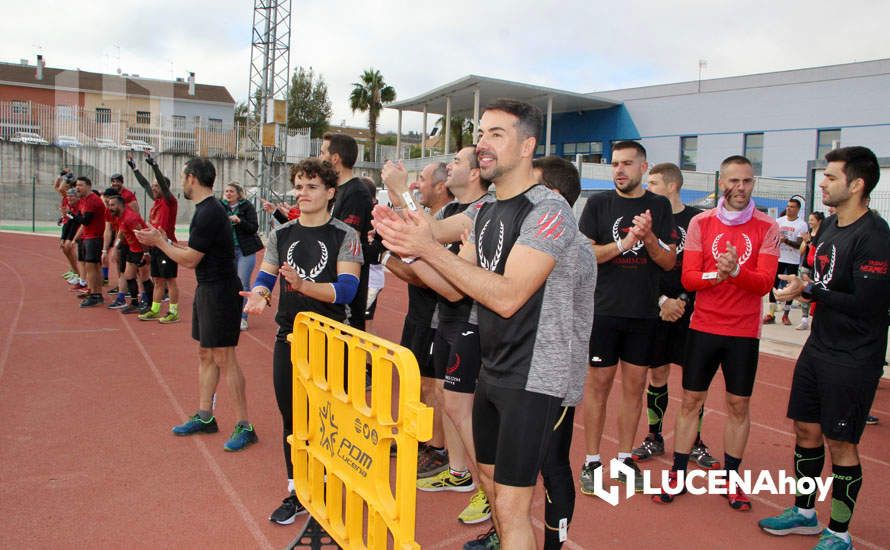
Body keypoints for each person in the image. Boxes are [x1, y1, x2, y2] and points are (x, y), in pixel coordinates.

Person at [374, 99, 593, 550]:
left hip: (536, 379)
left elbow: (511, 296)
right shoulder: (484, 209)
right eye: (480, 134)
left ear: (527, 145)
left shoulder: (549, 212)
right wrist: (403, 240)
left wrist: (425, 247)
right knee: (493, 494)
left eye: (496, 134)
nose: (482, 144)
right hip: (494, 368)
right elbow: (455, 286)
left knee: (513, 509)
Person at [758, 147, 889, 549]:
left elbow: (866, 303)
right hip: (818, 348)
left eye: (831, 177)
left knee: (842, 443)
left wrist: (809, 290)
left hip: (854, 356)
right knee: (806, 429)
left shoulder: (876, 238)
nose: (823, 183)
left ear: (857, 184)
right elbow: (820, 277)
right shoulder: (830, 225)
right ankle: (804, 512)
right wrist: (804, 289)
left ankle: (839, 532)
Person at [241, 158, 363, 525]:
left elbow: (347, 290)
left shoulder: (346, 236)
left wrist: (304, 286)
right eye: (299, 185)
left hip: (331, 341)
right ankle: (297, 491)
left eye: (311, 186)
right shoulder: (282, 233)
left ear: (329, 193)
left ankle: (328, 487)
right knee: (292, 419)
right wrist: (260, 294)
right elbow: (266, 274)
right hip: (290, 337)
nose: (302, 193)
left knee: (328, 420)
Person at [653, 155, 779, 510]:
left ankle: (732, 479)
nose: (741, 188)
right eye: (734, 181)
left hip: (743, 332)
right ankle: (677, 472)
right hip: (704, 327)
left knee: (739, 405)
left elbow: (765, 283)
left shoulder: (767, 226)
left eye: (747, 181)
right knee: (691, 401)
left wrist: (736, 270)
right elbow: (690, 278)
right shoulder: (701, 223)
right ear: (721, 183)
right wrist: (719, 275)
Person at [135, 157, 257, 452]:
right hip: (208, 290)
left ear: (191, 178)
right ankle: (205, 417)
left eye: (182, 177)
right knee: (205, 353)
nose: (180, 182)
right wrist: (164, 239)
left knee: (225, 357)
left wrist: (159, 243)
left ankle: (245, 426)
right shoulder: (206, 210)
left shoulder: (210, 212)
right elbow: (193, 252)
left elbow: (190, 260)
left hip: (221, 291)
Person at [577, 141, 677, 494]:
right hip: (603, 311)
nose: (619, 170)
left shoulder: (659, 206)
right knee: (598, 388)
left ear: (644, 168)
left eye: (627, 164)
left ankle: (623, 459)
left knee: (634, 388)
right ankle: (591, 460)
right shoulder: (599, 204)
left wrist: (647, 237)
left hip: (642, 314)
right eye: (615, 164)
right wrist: (624, 242)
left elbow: (668, 260)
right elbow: (586, 255)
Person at [630, 163, 719, 469]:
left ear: (671, 186)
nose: (648, 187)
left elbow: (707, 267)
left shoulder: (699, 219)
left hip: (692, 310)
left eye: (653, 183)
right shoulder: (646, 219)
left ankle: (694, 440)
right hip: (656, 308)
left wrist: (681, 300)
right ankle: (654, 436)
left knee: (694, 381)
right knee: (657, 374)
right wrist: (661, 300)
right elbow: (638, 267)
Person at [533, 155, 595, 550]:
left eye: (532, 187)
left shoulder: (571, 244)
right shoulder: (540, 235)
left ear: (553, 196)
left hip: (554, 375)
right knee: (522, 465)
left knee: (551, 463)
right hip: (527, 369)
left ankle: (557, 543)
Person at [381, 162, 453, 480]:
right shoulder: (429, 219)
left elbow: (426, 276)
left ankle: (437, 449)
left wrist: (384, 257)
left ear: (440, 186)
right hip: (419, 315)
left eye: (421, 180)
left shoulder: (448, 221)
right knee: (417, 381)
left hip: (437, 317)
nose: (416, 185)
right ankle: (420, 437)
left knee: (434, 384)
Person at [319, 133, 374, 331]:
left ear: (335, 158)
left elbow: (347, 239)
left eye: (323, 152)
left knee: (347, 350)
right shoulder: (337, 190)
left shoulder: (356, 192)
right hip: (332, 281)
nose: (320, 157)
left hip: (347, 284)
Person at [129, 153, 181, 324]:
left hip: (167, 246)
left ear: (164, 187)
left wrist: (154, 166)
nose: (153, 189)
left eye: (157, 186)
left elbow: (162, 187)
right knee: (157, 280)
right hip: (155, 247)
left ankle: (173, 312)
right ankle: (155, 309)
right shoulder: (156, 201)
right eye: (153, 187)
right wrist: (134, 167)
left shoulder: (169, 201)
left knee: (170, 280)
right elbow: (144, 184)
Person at [221, 182, 263, 331]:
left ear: (238, 193)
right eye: (226, 191)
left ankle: (243, 319)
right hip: (227, 250)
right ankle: (229, 316)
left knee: (243, 283)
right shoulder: (220, 206)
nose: (228, 193)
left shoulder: (247, 207)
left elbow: (253, 228)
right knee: (228, 284)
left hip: (245, 250)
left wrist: (240, 221)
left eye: (231, 191)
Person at [764, 197, 808, 325]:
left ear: (798, 209)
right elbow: (771, 238)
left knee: (791, 286)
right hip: (779, 257)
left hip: (792, 260)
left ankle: (786, 314)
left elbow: (799, 244)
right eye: (788, 206)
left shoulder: (801, 224)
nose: (789, 209)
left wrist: (786, 241)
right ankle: (771, 314)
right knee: (774, 284)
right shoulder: (779, 221)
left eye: (792, 207)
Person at [105, 194, 150, 314]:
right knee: (129, 276)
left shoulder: (130, 217)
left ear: (121, 205)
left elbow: (142, 235)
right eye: (109, 205)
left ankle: (149, 303)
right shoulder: (120, 216)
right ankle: (135, 303)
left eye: (112, 205)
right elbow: (121, 233)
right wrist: (116, 247)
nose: (110, 207)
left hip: (142, 249)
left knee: (145, 278)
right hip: (132, 249)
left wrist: (146, 253)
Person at [74, 176, 108, 307]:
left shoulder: (92, 200)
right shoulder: (84, 200)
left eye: (81, 185)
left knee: (91, 266)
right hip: (89, 236)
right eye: (77, 185)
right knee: (93, 266)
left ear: (88, 186)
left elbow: (85, 220)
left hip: (93, 237)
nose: (78, 187)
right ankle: (95, 292)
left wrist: (74, 215)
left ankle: (95, 294)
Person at [796, 211, 824, 330]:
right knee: (805, 291)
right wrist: (804, 241)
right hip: (805, 266)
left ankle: (817, 320)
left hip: (816, 268)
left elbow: (818, 251)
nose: (810, 222)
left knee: (815, 293)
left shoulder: (822, 235)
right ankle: (804, 319)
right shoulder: (809, 233)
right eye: (809, 219)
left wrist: (808, 242)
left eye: (812, 220)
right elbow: (801, 251)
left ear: (819, 221)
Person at [55, 170, 81, 282]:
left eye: (64, 183)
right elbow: (57, 186)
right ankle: (75, 271)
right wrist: (60, 175)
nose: (62, 186)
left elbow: (74, 217)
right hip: (67, 223)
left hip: (73, 224)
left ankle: (77, 273)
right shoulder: (66, 196)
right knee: (65, 248)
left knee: (68, 247)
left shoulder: (73, 197)